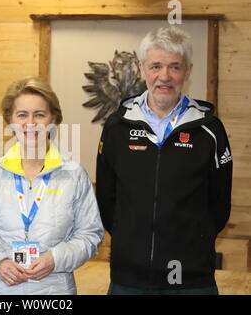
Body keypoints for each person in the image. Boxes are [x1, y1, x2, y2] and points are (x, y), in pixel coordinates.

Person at [96, 26, 233, 295]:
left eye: (175, 67)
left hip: (191, 278)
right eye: (156, 66)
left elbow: (219, 205)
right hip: (129, 277)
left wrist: (193, 240)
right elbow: (107, 199)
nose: (164, 77)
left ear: (188, 70)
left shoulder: (210, 130)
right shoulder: (117, 127)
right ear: (142, 68)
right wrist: (131, 241)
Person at [0, 76, 104, 295]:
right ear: (10, 120)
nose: (30, 123)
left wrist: (55, 259)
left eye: (39, 115)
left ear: (53, 119)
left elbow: (90, 234)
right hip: (1, 291)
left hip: (55, 291)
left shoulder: (74, 176)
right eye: (22, 115)